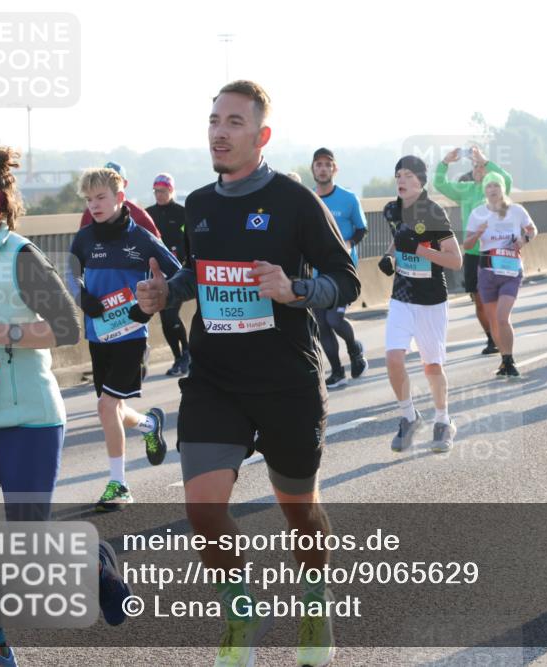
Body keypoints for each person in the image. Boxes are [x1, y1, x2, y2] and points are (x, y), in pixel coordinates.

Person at [136, 80, 360, 667]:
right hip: (215, 379)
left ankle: (315, 598)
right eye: (214, 119)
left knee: (300, 510)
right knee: (203, 512)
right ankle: (241, 610)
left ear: (261, 136)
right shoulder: (200, 204)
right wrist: (167, 292)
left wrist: (295, 290)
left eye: (234, 121)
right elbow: (196, 273)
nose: (219, 130)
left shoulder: (293, 200)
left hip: (286, 381)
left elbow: (348, 278)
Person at [0, 147, 129, 665]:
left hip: (28, 421)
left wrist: (6, 331)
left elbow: (67, 326)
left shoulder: (19, 255)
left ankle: (95, 560)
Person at [68, 168, 180, 511]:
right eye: (89, 199)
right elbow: (70, 276)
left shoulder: (142, 238)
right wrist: (81, 296)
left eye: (101, 197)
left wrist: (148, 308)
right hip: (98, 336)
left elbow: (178, 276)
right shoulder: (84, 238)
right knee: (112, 407)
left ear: (120, 197)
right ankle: (148, 424)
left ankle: (119, 484)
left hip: (132, 336)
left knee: (105, 406)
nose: (94, 205)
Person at [378, 155, 462, 454]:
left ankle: (443, 420)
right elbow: (397, 240)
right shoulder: (392, 209)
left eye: (408, 175)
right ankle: (408, 416)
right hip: (401, 297)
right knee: (393, 358)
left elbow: (454, 259)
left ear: (421, 181)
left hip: (431, 302)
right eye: (398, 173)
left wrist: (418, 251)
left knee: (432, 366)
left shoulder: (433, 212)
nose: (401, 179)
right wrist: (390, 257)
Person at [433, 146, 512, 354]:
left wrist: (486, 161)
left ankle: (501, 334)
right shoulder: (466, 189)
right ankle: (491, 338)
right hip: (473, 252)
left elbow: (508, 179)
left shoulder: (497, 188)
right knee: (479, 301)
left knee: (494, 302)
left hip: (495, 253)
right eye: (475, 167)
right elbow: (439, 184)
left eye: (482, 167)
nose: (479, 170)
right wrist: (445, 162)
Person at [464, 172, 537, 377]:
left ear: (502, 188)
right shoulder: (477, 213)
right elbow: (467, 245)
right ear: (484, 190)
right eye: (489, 186)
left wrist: (523, 240)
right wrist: (478, 233)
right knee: (494, 320)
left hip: (511, 270)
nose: (493, 190)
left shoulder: (516, 210)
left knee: (502, 316)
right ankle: (504, 359)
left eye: (496, 185)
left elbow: (532, 230)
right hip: (487, 270)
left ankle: (510, 360)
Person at [311, 147, 369, 388]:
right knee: (321, 323)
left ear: (335, 168)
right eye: (318, 164)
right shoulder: (308, 199)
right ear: (312, 169)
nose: (323, 168)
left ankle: (355, 350)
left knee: (335, 320)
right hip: (316, 271)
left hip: (343, 270)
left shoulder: (348, 198)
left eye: (327, 164)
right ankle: (337, 371)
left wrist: (348, 243)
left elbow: (361, 228)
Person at [146, 172, 191, 376]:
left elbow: (189, 239)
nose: (159, 195)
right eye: (156, 191)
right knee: (165, 318)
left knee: (171, 314)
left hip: (178, 272)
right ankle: (178, 356)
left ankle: (186, 354)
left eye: (163, 191)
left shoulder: (182, 213)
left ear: (171, 191)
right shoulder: (148, 214)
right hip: (156, 272)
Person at [79, 161, 162, 239]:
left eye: (115, 181)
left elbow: (159, 246)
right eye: (104, 181)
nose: (111, 185)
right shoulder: (89, 213)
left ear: (125, 183)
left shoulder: (140, 216)